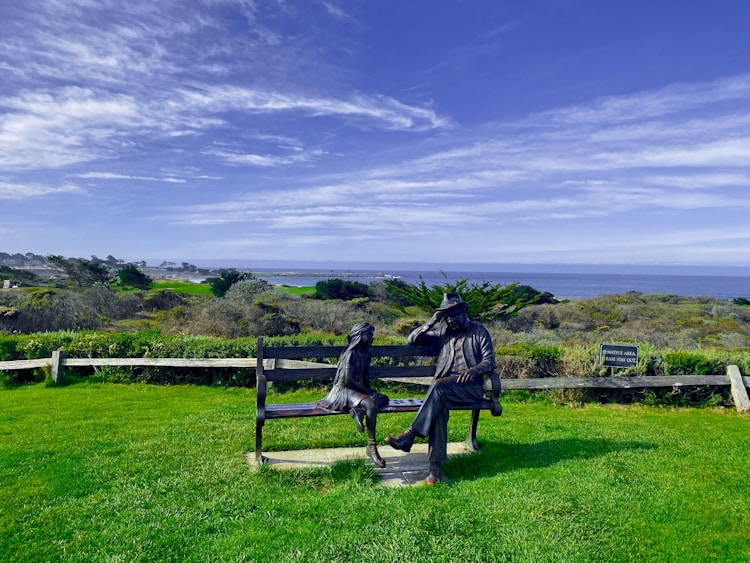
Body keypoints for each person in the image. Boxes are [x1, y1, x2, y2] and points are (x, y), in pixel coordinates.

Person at [386, 293, 497, 484]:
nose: (451, 320)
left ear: (464, 312)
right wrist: (433, 320)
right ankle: (435, 473)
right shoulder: (443, 332)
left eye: (454, 315)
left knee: (437, 387)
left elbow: (490, 361)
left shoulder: (479, 331)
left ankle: (410, 435)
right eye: (447, 317)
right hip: (444, 391)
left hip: (470, 388)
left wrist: (473, 370)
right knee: (438, 409)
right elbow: (412, 339)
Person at [317, 322, 389, 468]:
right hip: (343, 390)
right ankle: (372, 447)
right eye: (368, 334)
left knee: (383, 399)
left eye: (371, 335)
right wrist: (366, 392)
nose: (371, 337)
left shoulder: (367, 353)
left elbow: (365, 377)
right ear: (359, 335)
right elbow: (347, 379)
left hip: (356, 391)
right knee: (370, 404)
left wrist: (371, 391)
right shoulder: (350, 353)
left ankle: (356, 410)